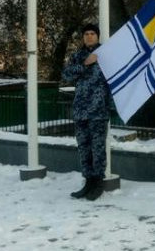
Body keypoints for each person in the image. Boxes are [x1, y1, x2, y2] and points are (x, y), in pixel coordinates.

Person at [62, 23, 112, 201]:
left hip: (98, 110)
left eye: (92, 33)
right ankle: (88, 182)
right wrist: (85, 64)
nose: (89, 36)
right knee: (84, 148)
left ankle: (98, 183)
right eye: (86, 34)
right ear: (83, 37)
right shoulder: (77, 56)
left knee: (97, 148)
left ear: (98, 36)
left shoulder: (105, 54)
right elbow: (66, 75)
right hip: (81, 110)